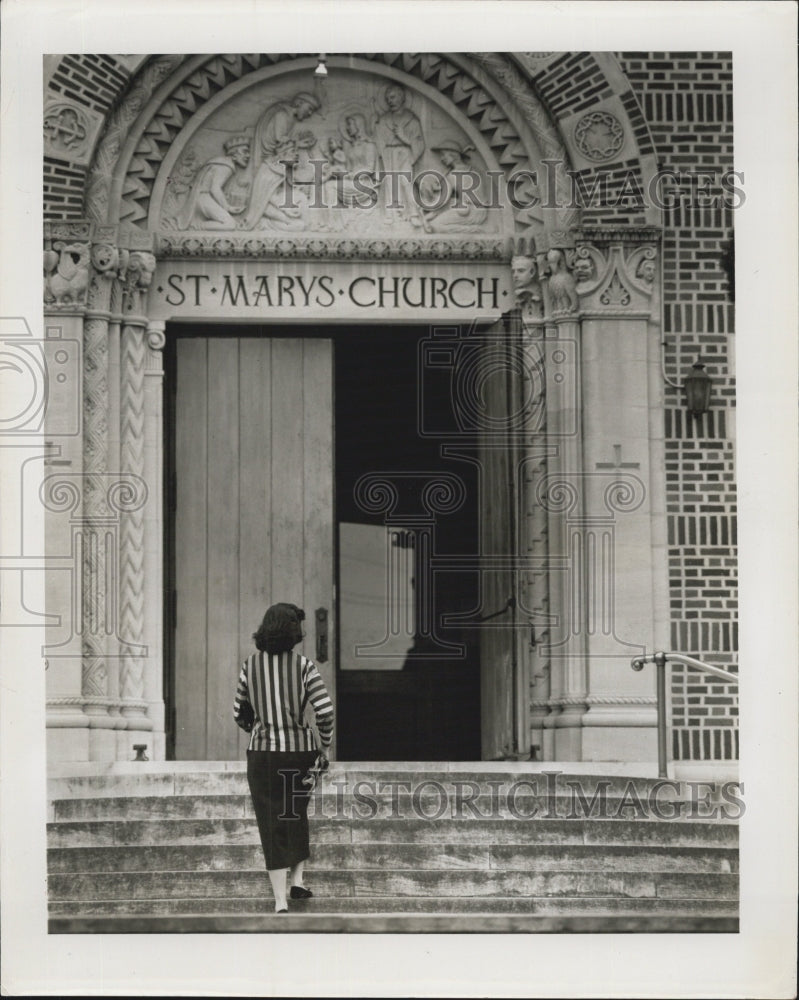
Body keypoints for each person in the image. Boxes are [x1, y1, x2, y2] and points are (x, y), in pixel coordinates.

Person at [233, 602, 334, 914]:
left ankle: (280, 901)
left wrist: (257, 728)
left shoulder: (250, 666)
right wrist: (325, 746)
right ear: (293, 632)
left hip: (262, 754)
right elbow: (325, 711)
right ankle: (297, 881)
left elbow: (239, 712)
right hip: (300, 752)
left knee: (271, 821)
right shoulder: (304, 666)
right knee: (295, 813)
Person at [175, 135, 251, 230]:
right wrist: (228, 207)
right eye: (245, 152)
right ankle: (195, 226)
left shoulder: (218, 161)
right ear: (234, 154)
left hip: (199, 198)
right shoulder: (226, 165)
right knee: (230, 224)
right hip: (203, 198)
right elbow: (215, 188)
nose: (248, 155)